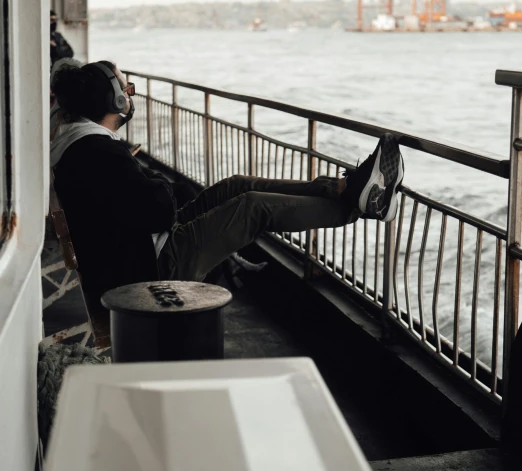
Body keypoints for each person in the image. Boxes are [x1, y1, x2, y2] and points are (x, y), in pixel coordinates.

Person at [51, 61, 404, 297]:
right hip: (151, 264)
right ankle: (360, 205)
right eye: (127, 90)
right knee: (252, 207)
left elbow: (136, 200)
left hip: (142, 244)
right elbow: (158, 208)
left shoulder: (82, 143)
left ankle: (345, 188)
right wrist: (151, 179)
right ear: (113, 100)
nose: (130, 96)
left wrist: (141, 178)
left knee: (236, 185)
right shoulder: (97, 151)